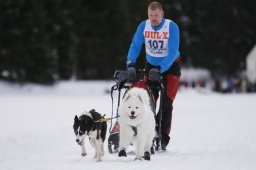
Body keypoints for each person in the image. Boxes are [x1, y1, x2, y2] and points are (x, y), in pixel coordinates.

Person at [118, 1, 181, 150]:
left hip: (170, 67)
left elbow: (172, 52)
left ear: (162, 14)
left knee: (166, 105)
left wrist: (160, 69)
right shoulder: (143, 26)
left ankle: (163, 138)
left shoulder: (172, 27)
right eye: (151, 15)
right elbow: (135, 46)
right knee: (147, 102)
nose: (153, 18)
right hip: (151, 65)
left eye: (156, 15)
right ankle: (147, 135)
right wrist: (131, 64)